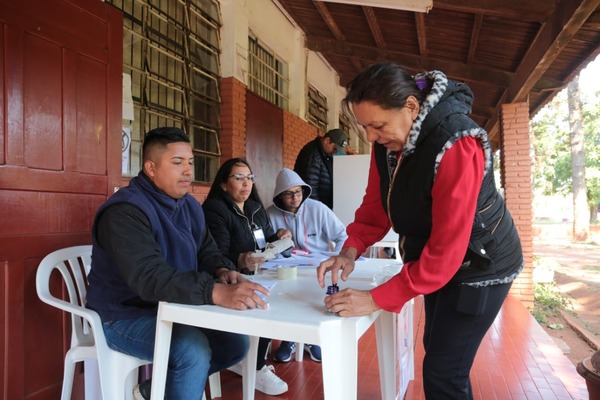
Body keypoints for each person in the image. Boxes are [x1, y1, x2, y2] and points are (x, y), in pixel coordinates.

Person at [316, 62, 524, 399]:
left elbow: (445, 255)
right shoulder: (386, 140)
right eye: (364, 126)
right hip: (442, 258)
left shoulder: (456, 144)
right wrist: (350, 249)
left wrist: (374, 298)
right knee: (438, 349)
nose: (370, 136)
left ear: (411, 107)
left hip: (481, 264)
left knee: (444, 370)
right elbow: (375, 203)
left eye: (377, 125)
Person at [86, 127, 269, 400]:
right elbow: (149, 277)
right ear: (151, 167)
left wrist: (222, 270)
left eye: (190, 163)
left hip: (171, 307)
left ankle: (157, 389)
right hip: (123, 315)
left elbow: (207, 249)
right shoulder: (125, 211)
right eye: (177, 163)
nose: (188, 171)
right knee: (191, 351)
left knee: (235, 344)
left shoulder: (189, 206)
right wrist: (214, 292)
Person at [202, 157, 291, 396]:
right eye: (239, 178)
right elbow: (216, 255)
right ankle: (257, 366)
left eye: (250, 178)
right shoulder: (215, 210)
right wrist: (242, 260)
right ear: (223, 185)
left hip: (260, 273)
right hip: (230, 280)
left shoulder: (254, 208)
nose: (246, 183)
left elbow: (267, 240)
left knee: (282, 296)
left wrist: (280, 237)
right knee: (265, 304)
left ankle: (253, 359)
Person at [266, 168, 348, 363]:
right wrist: (276, 238)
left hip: (317, 266)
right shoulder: (269, 214)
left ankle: (313, 340)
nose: (295, 198)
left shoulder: (317, 209)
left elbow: (342, 235)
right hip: (285, 268)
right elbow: (264, 245)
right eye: (289, 193)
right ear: (279, 195)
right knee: (283, 298)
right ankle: (289, 338)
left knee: (311, 300)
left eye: (298, 192)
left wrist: (336, 258)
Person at [294, 128, 348, 209]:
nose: (335, 152)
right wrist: (319, 211)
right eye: (334, 148)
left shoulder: (324, 154)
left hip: (322, 208)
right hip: (314, 210)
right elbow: (310, 189)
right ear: (327, 140)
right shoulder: (312, 154)